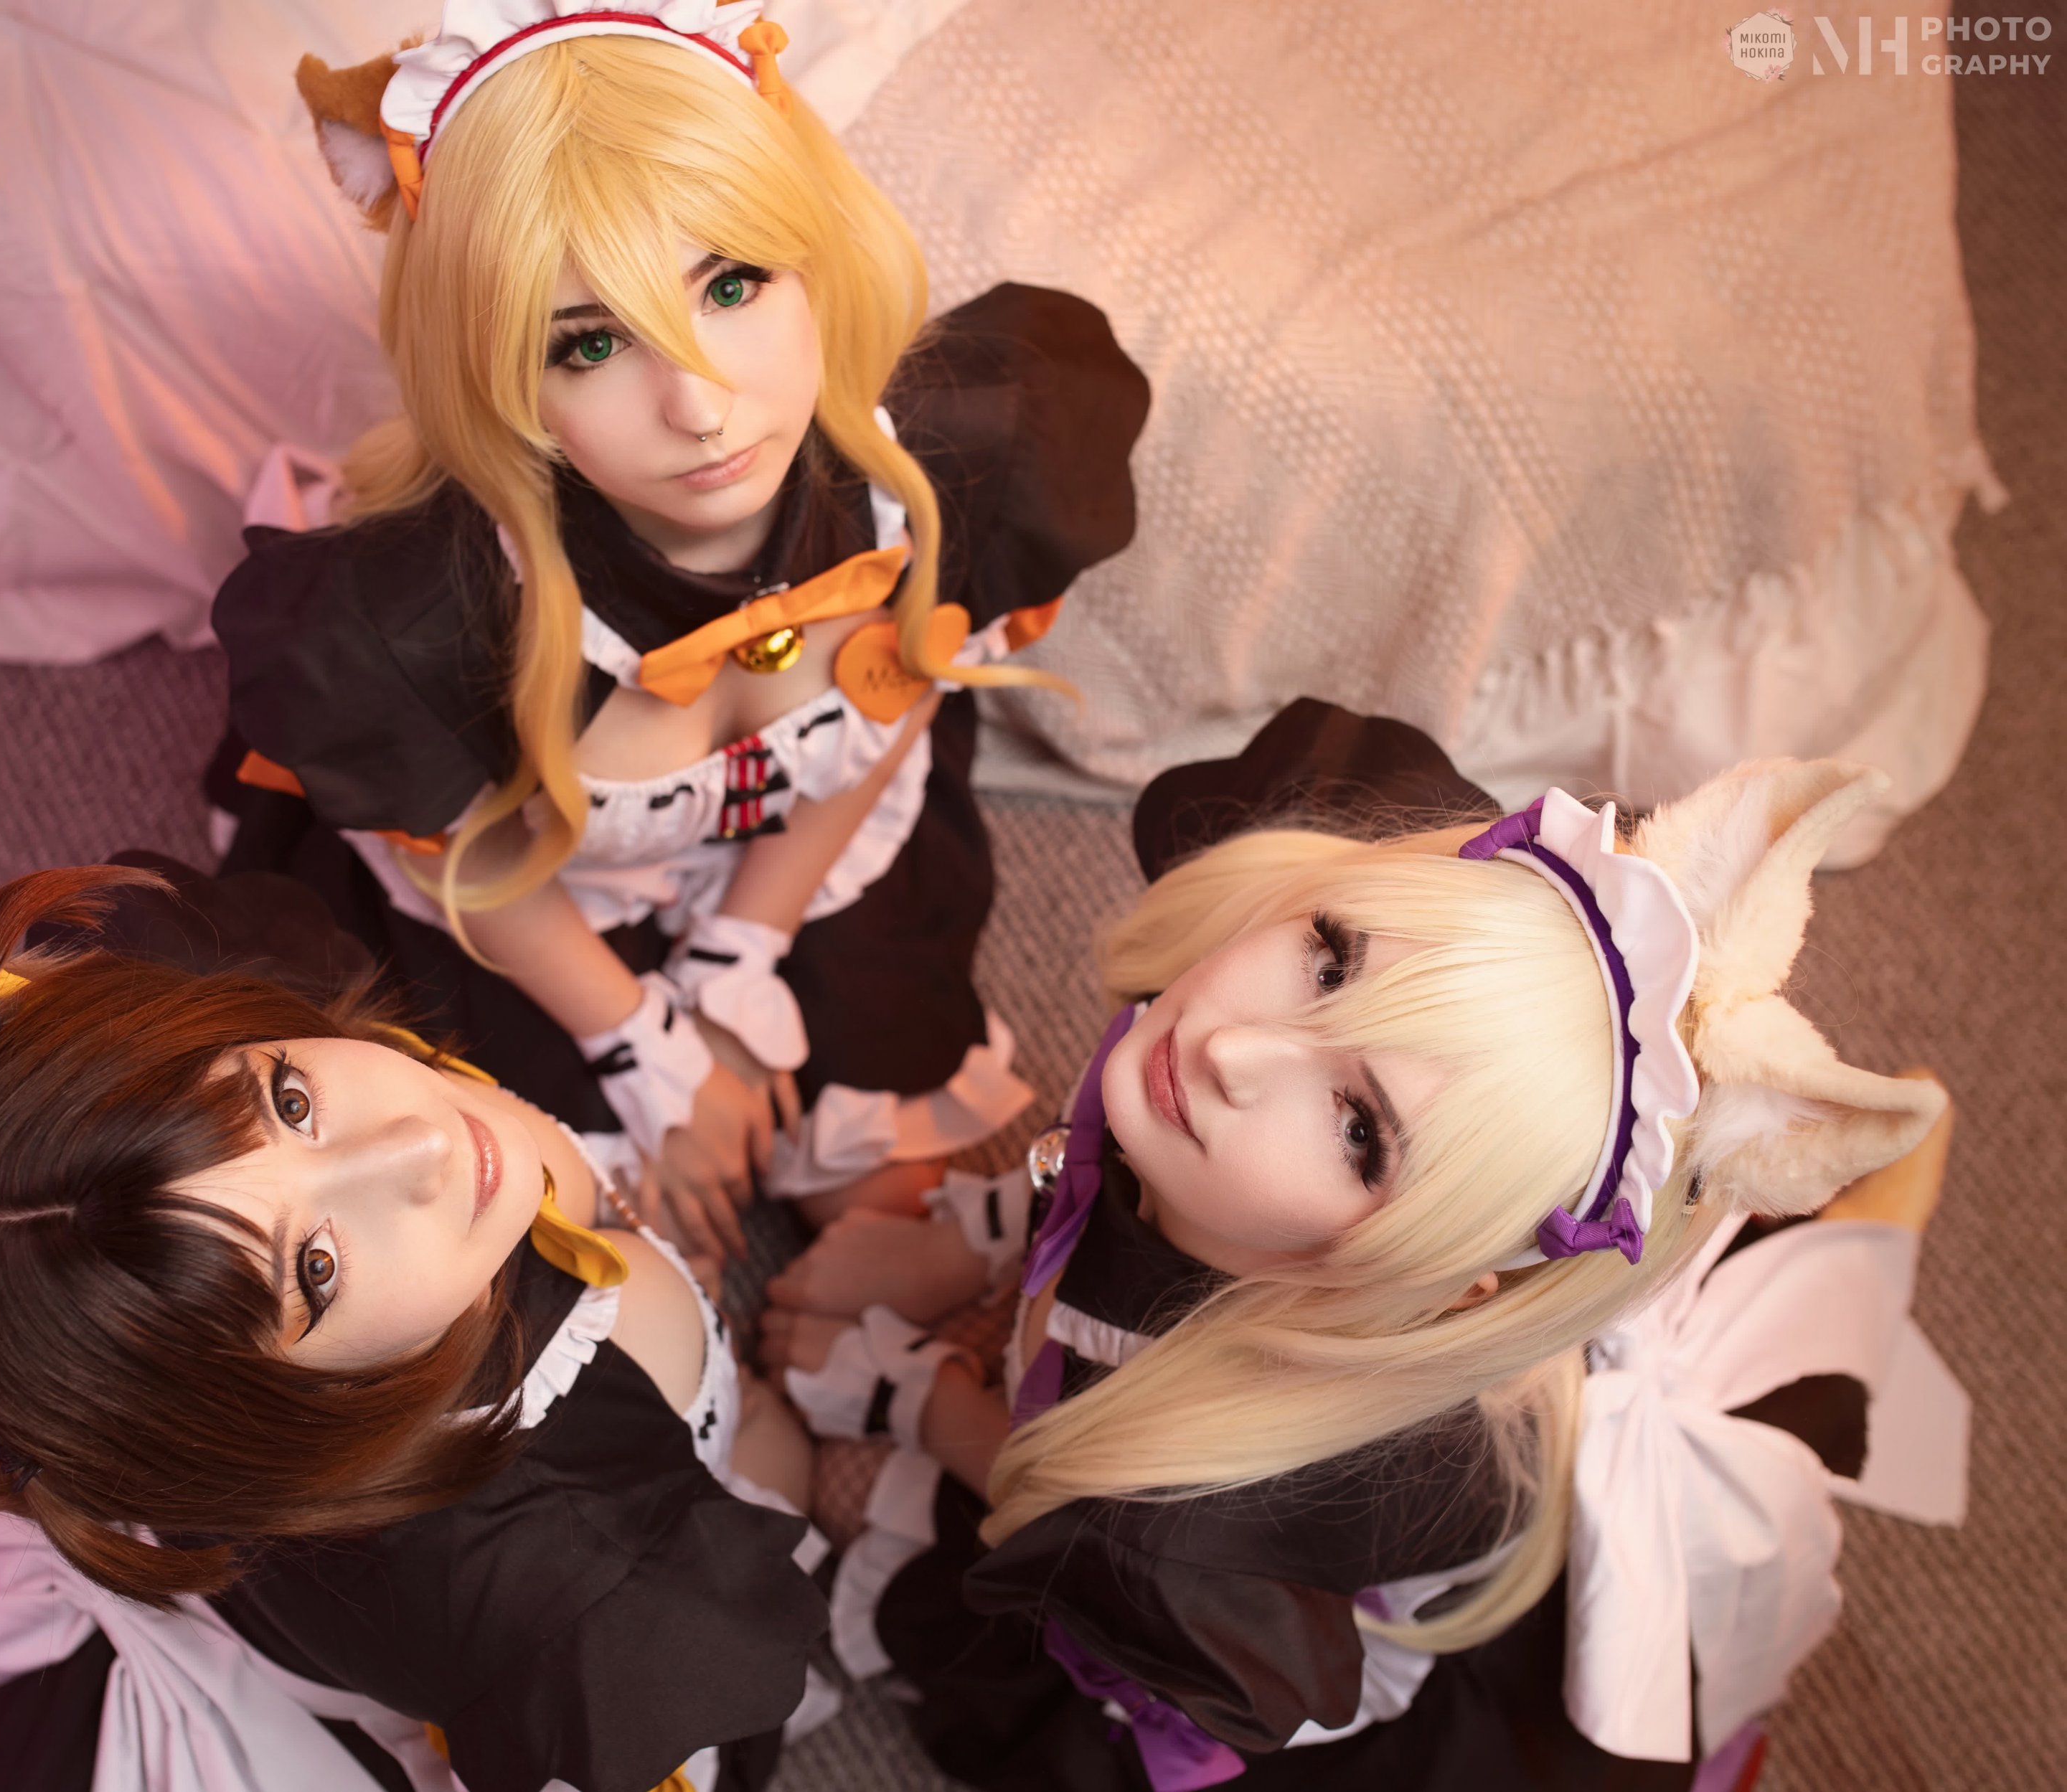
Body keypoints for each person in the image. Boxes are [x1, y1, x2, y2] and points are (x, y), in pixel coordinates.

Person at [758, 701, 1958, 1790]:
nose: (1236, 1049)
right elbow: (1101, 1174)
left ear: (1439, 1282)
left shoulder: (1204, 1535)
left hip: (1422, 1571)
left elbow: (1061, 1480)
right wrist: (970, 1241)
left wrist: (922, 1397)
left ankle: (1875, 1229)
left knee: (885, 1534)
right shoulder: (1210, 1091)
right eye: (1332, 957)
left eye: (1358, 1130)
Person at [207, 0, 1149, 1259]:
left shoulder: (946, 464)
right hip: (546, 904)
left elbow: (896, 698)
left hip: (806, 843)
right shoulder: (424, 616)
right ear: (499, 377)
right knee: (584, 1241)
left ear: (814, 251)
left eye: (732, 285)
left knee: (879, 1203)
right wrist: (642, 1041)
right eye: (591, 344)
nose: (700, 406)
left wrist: (740, 955)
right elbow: (464, 852)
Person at [0, 858, 829, 1792]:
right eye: (315, 1267)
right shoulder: (549, 1571)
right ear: (262, 1421)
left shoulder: (213, 993)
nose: (421, 1144)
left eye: (288, 1101)